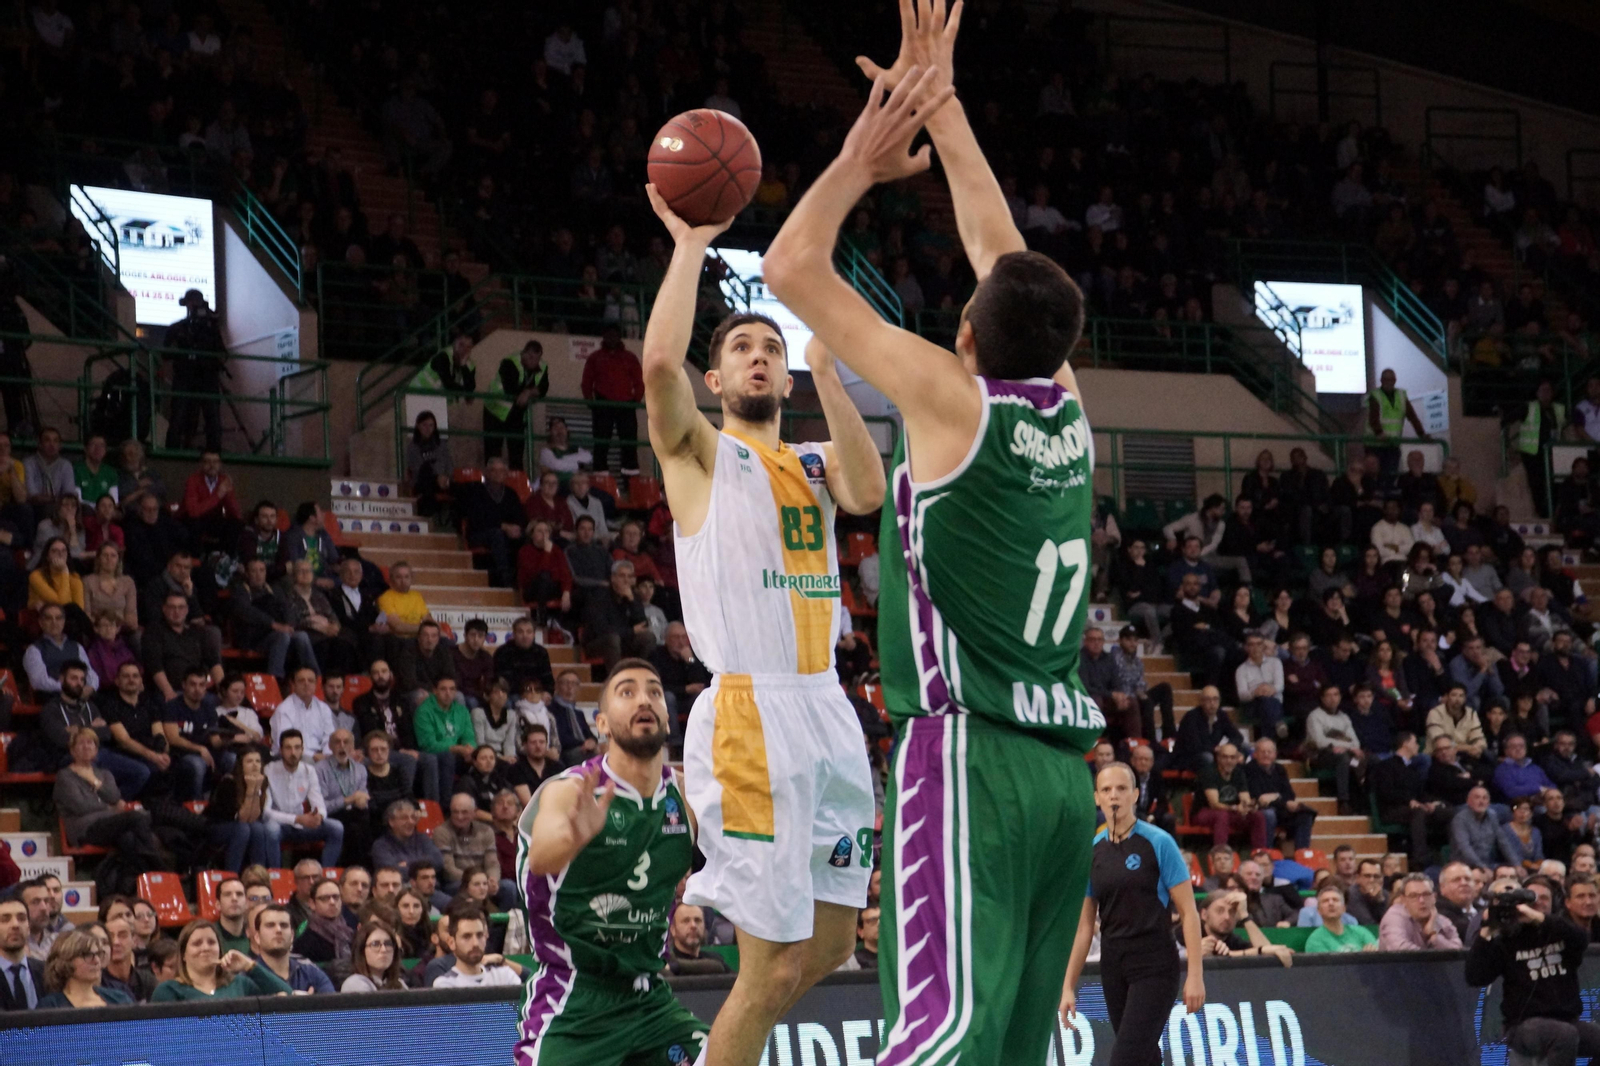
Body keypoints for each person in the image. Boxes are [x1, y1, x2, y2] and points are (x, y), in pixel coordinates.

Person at [645, 89, 899, 1066]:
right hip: (748, 716)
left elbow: (870, 489)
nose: (758, 356)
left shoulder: (807, 460)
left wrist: (834, 375)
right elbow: (659, 358)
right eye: (742, 348)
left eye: (770, 349)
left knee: (831, 945)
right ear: (719, 382)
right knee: (765, 965)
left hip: (826, 710)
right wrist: (688, 244)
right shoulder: (701, 456)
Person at [514, 659, 706, 1059]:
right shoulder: (570, 790)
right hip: (575, 998)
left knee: (733, 1053)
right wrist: (573, 838)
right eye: (627, 692)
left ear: (668, 719)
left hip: (650, 998)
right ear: (601, 724)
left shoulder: (689, 798)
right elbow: (542, 859)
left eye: (654, 691)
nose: (644, 700)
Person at [1061, 761, 1204, 1064]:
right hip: (1113, 965)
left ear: (1135, 795)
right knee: (1145, 1057)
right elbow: (1085, 927)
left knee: (1125, 1058)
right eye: (1106, 789)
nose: (1114, 795)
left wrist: (1195, 976)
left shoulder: (1159, 842)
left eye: (1122, 788)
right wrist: (1068, 986)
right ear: (1096, 798)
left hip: (1154, 962)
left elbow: (1189, 913)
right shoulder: (1093, 851)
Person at [1466, 874, 1599, 1064]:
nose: (1539, 903)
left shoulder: (1559, 930)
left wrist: (1540, 919)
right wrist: (1487, 930)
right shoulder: (1507, 939)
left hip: (1567, 1019)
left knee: (1586, 1035)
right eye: (1534, 898)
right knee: (1564, 1035)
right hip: (1522, 1026)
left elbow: (1581, 939)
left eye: (1545, 898)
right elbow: (1474, 977)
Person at [53, 727, 164, 873]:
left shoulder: (104, 774)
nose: (86, 746)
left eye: (90, 743)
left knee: (128, 839)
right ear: (72, 750)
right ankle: (161, 869)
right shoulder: (65, 776)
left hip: (110, 824)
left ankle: (142, 878)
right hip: (85, 829)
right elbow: (80, 806)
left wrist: (95, 782)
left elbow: (114, 797)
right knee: (137, 817)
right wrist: (108, 808)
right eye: (81, 743)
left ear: (96, 749)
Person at [264, 729, 345, 867]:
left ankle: (325, 875)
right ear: (281, 750)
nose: (293, 753)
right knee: (271, 829)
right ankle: (275, 874)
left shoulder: (309, 770)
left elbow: (318, 803)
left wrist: (318, 816)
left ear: (302, 749)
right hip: (280, 825)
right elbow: (266, 813)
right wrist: (297, 819)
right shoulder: (269, 770)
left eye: (297, 748)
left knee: (336, 827)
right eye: (288, 748)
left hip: (303, 825)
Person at [164, 290, 227, 452]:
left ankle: (214, 451)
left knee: (212, 416)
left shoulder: (210, 328)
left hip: (207, 377)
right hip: (185, 377)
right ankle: (173, 450)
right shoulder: (178, 328)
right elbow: (165, 353)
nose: (193, 306)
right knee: (179, 414)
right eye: (191, 303)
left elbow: (222, 353)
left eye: (195, 302)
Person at [581, 326, 645, 475]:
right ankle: (600, 478)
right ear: (603, 337)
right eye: (608, 335)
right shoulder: (595, 357)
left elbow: (639, 381)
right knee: (601, 444)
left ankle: (632, 482)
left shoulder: (630, 357)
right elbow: (587, 382)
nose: (612, 338)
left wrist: (635, 400)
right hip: (603, 405)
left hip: (626, 405)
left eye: (615, 335)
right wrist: (591, 402)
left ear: (619, 337)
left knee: (629, 445)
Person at [205, 749, 273, 874]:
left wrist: (256, 788)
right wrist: (251, 789)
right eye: (249, 761)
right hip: (215, 827)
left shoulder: (261, 781)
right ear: (241, 765)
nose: (255, 765)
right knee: (242, 828)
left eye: (258, 761)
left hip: (239, 826)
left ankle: (258, 876)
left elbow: (253, 818)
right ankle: (231, 875)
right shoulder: (229, 782)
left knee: (258, 828)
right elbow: (241, 818)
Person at [484, 339, 548, 468]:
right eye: (530, 357)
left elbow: (544, 387)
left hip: (517, 415)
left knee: (517, 456)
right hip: (495, 412)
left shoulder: (543, 366)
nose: (533, 362)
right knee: (493, 454)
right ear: (523, 353)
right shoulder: (509, 362)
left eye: (536, 358)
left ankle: (515, 485)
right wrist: (530, 391)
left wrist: (528, 392)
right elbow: (511, 389)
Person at [1244, 737, 1317, 850]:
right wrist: (1280, 798)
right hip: (1259, 810)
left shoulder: (1279, 769)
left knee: (1306, 814)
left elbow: (1289, 794)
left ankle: (1302, 853)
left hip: (1280, 807)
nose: (1266, 755)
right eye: (1262, 751)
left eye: (1269, 752)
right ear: (1255, 754)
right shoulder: (1249, 769)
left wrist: (1276, 797)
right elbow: (1259, 797)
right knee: (1269, 814)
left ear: (1275, 754)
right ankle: (1267, 852)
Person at [1194, 742, 1268, 849]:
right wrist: (1234, 808)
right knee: (1222, 815)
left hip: (1230, 812)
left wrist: (1249, 806)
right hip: (1204, 812)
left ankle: (1259, 854)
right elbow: (1214, 804)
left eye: (1233, 758)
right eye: (1225, 757)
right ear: (1218, 758)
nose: (1229, 761)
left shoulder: (1239, 773)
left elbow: (1245, 798)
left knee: (1258, 816)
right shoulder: (1209, 772)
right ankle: (1220, 853)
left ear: (1237, 759)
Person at [249, 904, 334, 994]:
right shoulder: (247, 977)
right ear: (257, 937)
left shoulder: (311, 973)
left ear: (292, 936)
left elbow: (334, 1005)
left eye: (284, 925)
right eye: (270, 925)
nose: (278, 930)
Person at [37, 928, 131, 1008]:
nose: (96, 961)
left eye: (98, 954)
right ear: (66, 960)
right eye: (88, 955)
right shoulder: (51, 1006)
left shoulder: (120, 999)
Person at [432, 904, 522, 988]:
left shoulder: (505, 976)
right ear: (451, 942)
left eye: (479, 935)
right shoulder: (445, 984)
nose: (475, 943)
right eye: (467, 937)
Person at [415, 676, 475, 798]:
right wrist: (455, 748)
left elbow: (469, 736)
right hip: (434, 754)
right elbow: (428, 744)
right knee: (448, 758)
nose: (448, 693)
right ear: (435, 690)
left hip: (458, 753)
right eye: (443, 689)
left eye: (452, 689)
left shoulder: (461, 710)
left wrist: (471, 749)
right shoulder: (424, 711)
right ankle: (445, 806)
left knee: (485, 757)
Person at [1366, 368, 1429, 478]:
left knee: (1391, 475)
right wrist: (1379, 433)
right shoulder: (1375, 396)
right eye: (1386, 379)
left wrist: (1421, 434)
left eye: (1391, 379)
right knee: (1374, 476)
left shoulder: (1401, 396)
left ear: (1395, 380)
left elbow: (1412, 417)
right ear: (1381, 380)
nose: (1388, 382)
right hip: (1374, 444)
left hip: (1392, 444)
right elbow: (1373, 418)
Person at [1377, 872, 1464, 950]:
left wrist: (1434, 937)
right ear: (1403, 900)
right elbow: (1400, 950)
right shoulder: (1394, 918)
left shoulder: (1442, 921)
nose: (1421, 900)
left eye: (1426, 894)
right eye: (1414, 896)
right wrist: (1432, 959)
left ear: (1434, 897)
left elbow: (1458, 951)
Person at [1302, 881, 1377, 953]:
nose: (1331, 903)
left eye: (1335, 900)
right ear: (1319, 910)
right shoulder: (1315, 940)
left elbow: (1376, 955)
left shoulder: (1362, 933)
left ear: (1344, 908)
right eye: (1325, 901)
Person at [293, 878, 353, 963]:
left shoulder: (350, 932)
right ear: (312, 904)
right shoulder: (305, 942)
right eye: (324, 898)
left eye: (336, 897)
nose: (332, 902)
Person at [0, 896, 43, 1011]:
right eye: (5, 919)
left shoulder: (46, 972)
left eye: (22, 918)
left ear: (28, 927)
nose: (15, 925)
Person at [341, 919, 407, 992]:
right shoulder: (355, 984)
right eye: (375, 944)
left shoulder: (400, 984)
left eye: (388, 944)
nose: (383, 950)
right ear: (362, 951)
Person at [666, 904, 729, 975]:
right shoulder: (666, 962)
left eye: (698, 920)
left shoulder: (716, 959)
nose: (693, 925)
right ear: (673, 930)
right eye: (686, 921)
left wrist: (677, 966)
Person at [508, 725, 561, 805]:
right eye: (533, 742)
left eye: (542, 742)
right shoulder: (516, 769)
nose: (538, 746)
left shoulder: (557, 767)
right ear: (525, 745)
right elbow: (528, 803)